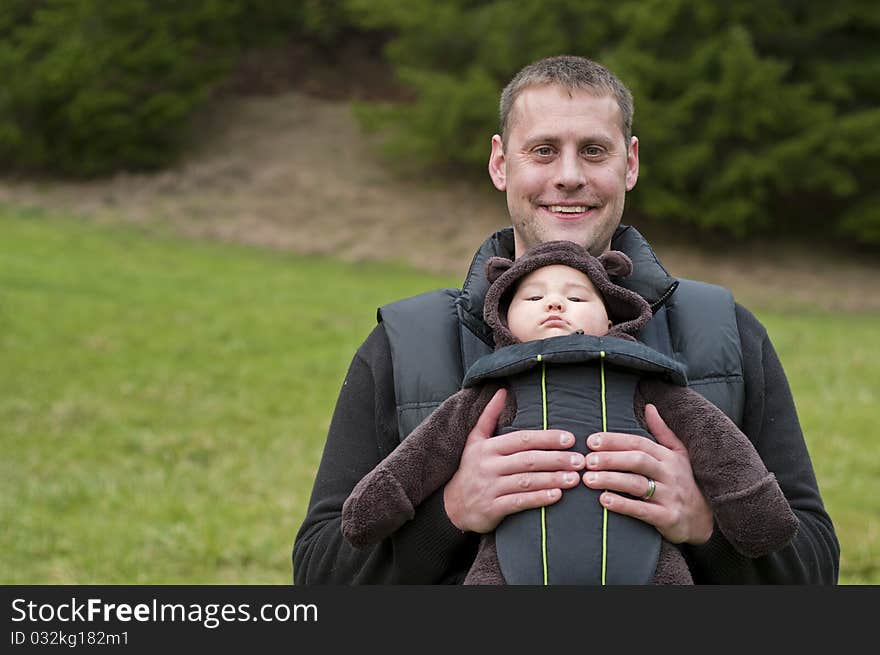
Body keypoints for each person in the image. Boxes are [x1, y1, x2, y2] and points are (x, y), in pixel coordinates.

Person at [292, 55, 839, 584]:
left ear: (631, 163)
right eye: (544, 150)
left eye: (595, 151)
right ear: (501, 163)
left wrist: (705, 526)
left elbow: (814, 571)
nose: (570, 176)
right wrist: (450, 512)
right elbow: (319, 574)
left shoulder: (723, 330)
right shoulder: (406, 341)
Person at [339, 241, 799, 585]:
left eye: (578, 298)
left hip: (649, 567)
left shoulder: (651, 384)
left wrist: (715, 522)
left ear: (614, 318)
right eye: (533, 298)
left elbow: (721, 450)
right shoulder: (487, 394)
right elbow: (423, 456)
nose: (556, 304)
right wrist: (447, 510)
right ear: (500, 320)